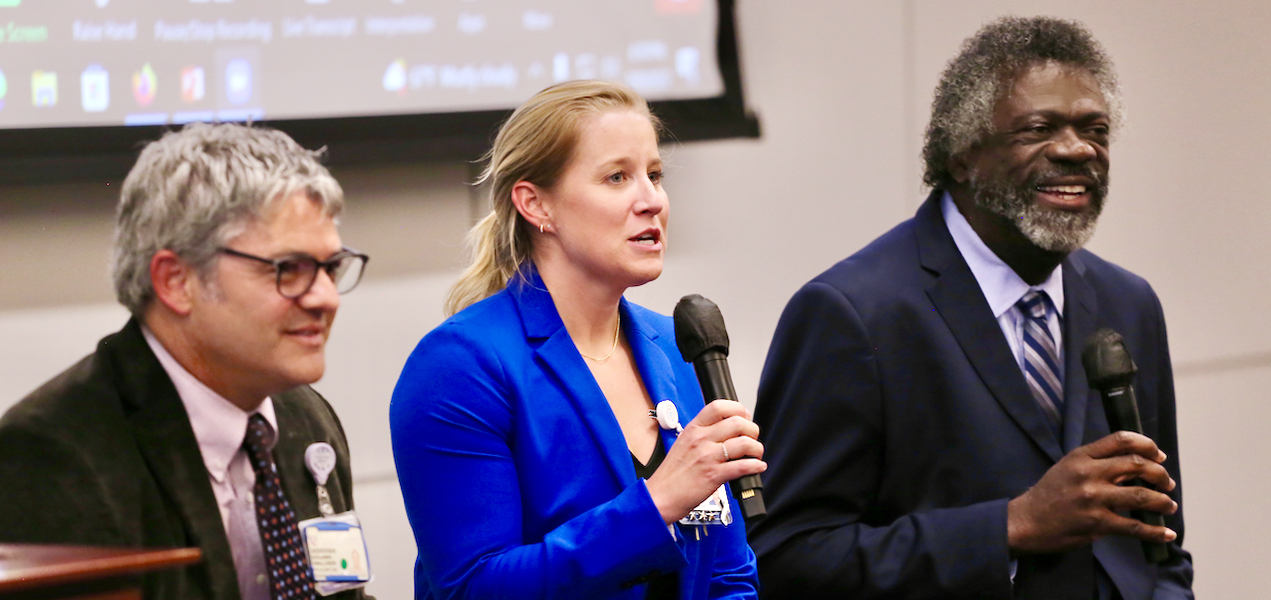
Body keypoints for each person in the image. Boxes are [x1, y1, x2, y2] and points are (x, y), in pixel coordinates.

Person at [747, 16, 1193, 600]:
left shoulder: (1128, 302)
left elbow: (1159, 540)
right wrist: (1009, 527)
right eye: (1038, 129)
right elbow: (786, 557)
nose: (1076, 149)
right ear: (961, 155)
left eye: (1095, 130)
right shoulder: (853, 314)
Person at [391, 80, 763, 600]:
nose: (652, 200)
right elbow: (474, 588)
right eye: (617, 177)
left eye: (654, 175)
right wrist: (656, 506)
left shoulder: (677, 348)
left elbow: (728, 575)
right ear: (536, 205)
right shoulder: (462, 366)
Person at [0, 123, 372, 600]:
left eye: (330, 268)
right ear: (176, 281)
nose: (325, 297)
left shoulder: (305, 420)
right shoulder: (54, 453)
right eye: (289, 270)